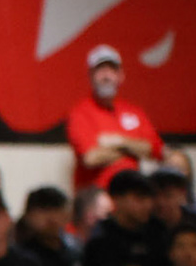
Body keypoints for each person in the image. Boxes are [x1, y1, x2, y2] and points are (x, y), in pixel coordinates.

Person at [65, 44, 159, 193]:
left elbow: (153, 150)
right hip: (97, 196)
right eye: (100, 70)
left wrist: (118, 141)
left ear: (121, 75)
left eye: (112, 70)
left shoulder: (134, 111)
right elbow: (91, 158)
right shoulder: (80, 114)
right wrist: (132, 150)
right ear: (90, 76)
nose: (106, 76)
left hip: (133, 193)